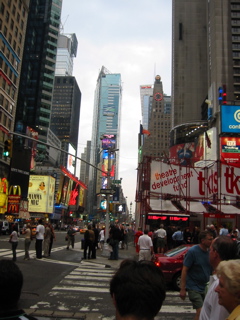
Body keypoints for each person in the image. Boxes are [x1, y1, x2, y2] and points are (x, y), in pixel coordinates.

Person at [200, 236, 238, 320]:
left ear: (215, 254)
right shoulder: (221, 281)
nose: (208, 253)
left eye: (210, 250)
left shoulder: (222, 283)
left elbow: (219, 316)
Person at [180, 231, 213, 320]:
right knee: (200, 311)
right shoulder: (192, 252)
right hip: (194, 287)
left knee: (206, 313)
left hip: (205, 286)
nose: (211, 241)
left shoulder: (210, 252)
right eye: (209, 239)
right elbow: (184, 270)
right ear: (203, 240)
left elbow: (211, 269)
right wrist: (183, 289)